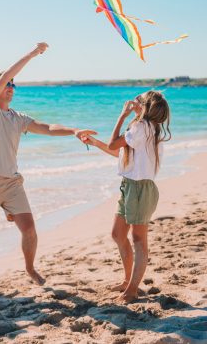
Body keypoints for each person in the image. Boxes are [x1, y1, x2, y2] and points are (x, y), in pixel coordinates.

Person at [0, 42, 96, 297]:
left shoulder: (18, 118)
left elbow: (47, 127)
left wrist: (73, 131)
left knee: (29, 229)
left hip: (12, 183)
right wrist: (31, 54)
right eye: (7, 84)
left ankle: (29, 268)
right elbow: (4, 75)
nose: (11, 87)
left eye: (13, 85)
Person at [80, 90, 171, 303]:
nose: (132, 101)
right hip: (129, 187)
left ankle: (131, 290)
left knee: (139, 240)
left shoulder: (141, 127)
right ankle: (128, 280)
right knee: (117, 234)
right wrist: (95, 143)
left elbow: (115, 144)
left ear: (145, 107)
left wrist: (123, 116)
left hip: (140, 189)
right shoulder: (147, 129)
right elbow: (118, 152)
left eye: (137, 100)